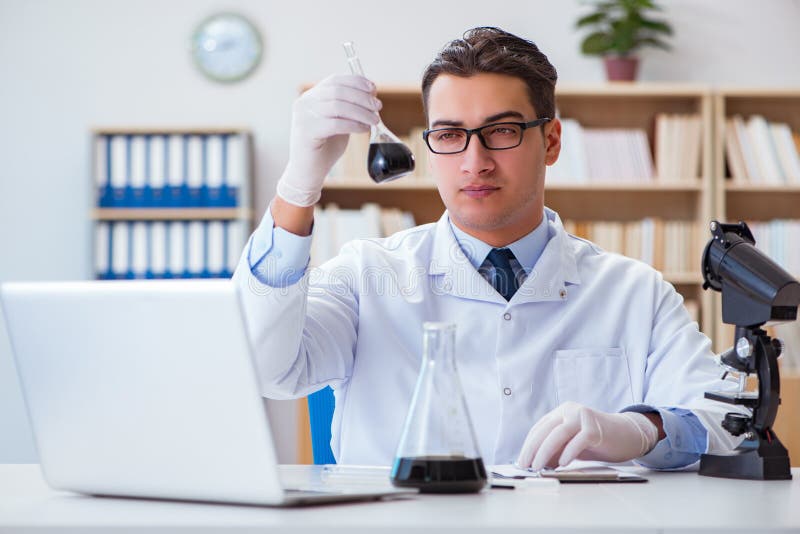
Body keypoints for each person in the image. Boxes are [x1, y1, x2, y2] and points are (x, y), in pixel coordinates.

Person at [233, 27, 744, 470]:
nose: (474, 162)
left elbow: (726, 419)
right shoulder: (367, 276)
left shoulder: (633, 291)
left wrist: (643, 427)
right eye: (451, 135)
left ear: (551, 141)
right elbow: (265, 367)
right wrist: (297, 189)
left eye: (500, 131)